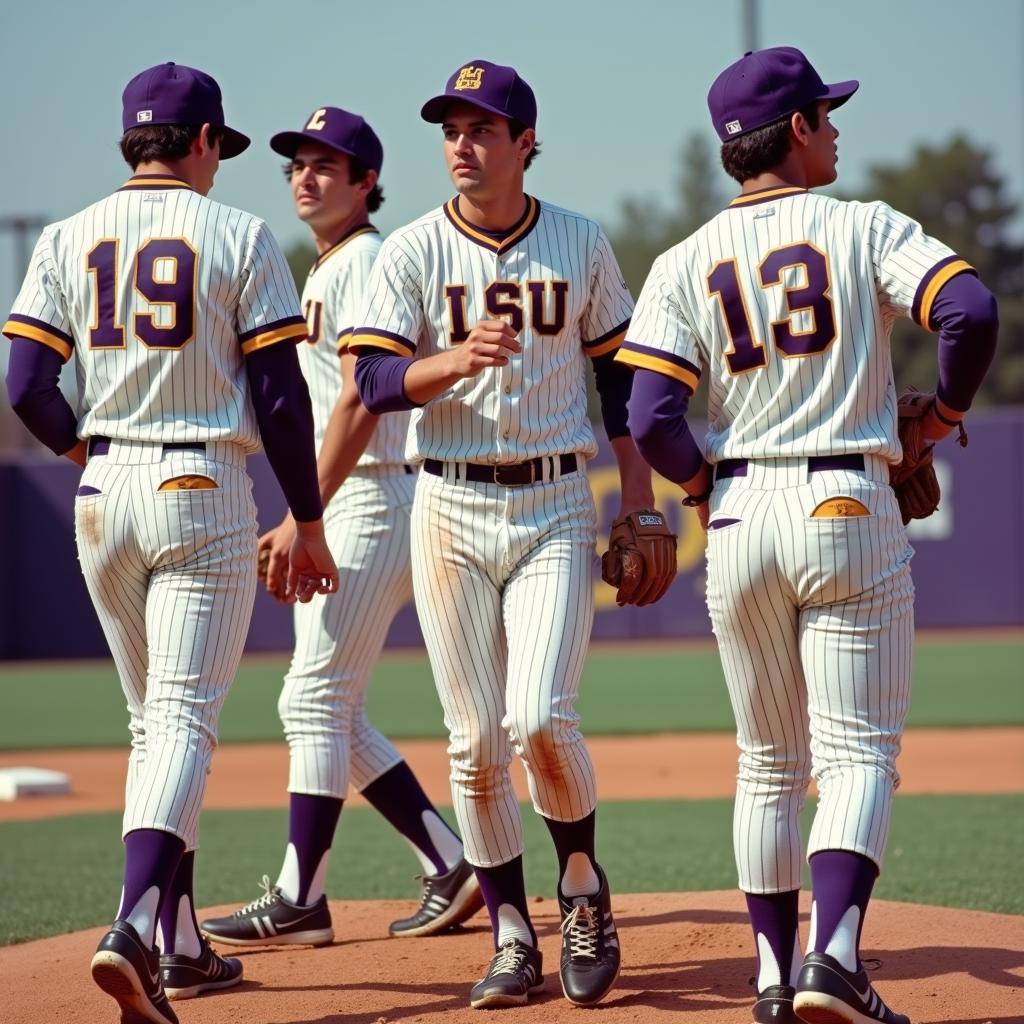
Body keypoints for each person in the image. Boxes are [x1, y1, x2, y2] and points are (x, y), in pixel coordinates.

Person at [618, 46, 998, 1024]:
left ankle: (769, 977)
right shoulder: (861, 225)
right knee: (858, 751)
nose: (836, 127)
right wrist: (941, 415)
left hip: (740, 512)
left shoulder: (680, 260)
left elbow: (652, 414)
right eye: (825, 115)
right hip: (842, 500)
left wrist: (705, 488)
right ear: (795, 130)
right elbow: (968, 308)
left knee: (765, 760)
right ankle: (832, 954)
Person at [3, 63, 339, 1024]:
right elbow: (280, 393)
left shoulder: (68, 237)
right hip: (199, 485)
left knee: (152, 723)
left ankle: (183, 945)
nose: (219, 163)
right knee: (184, 721)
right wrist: (308, 518)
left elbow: (26, 382)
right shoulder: (234, 234)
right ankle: (136, 925)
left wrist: (85, 451)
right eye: (218, 148)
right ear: (199, 142)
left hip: (104, 485)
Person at [353, 59, 670, 1010]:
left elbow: (621, 384)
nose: (463, 143)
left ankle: (581, 890)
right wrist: (448, 361)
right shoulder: (408, 251)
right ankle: (506, 931)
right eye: (452, 128)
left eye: (484, 128)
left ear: (526, 143)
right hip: (447, 504)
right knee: (473, 743)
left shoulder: (577, 241)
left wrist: (640, 500)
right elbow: (370, 385)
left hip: (554, 501)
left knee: (540, 718)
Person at [200, 106, 482, 950]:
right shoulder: (328, 265)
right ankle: (448, 860)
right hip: (361, 496)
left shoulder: (363, 261)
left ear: (367, 182)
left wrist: (302, 514)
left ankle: (301, 897)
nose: (306, 176)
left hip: (367, 494)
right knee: (332, 706)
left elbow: (361, 394)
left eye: (329, 164)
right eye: (297, 163)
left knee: (312, 698)